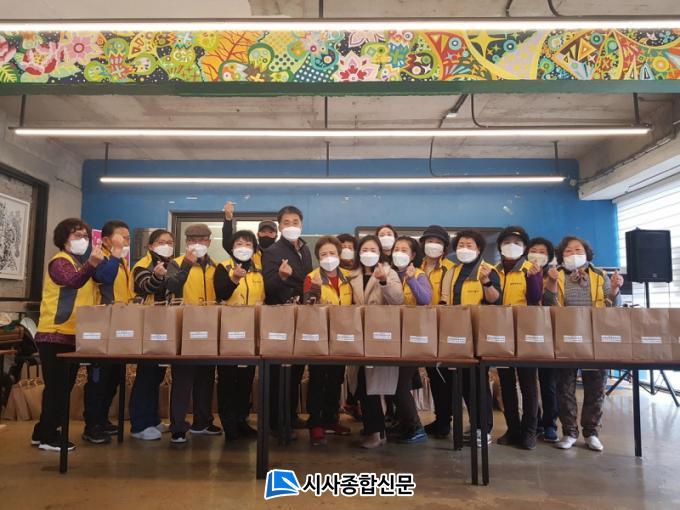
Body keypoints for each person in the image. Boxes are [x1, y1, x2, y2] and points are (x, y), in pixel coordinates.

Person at [544, 235, 624, 452]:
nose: (573, 254)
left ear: (587, 253)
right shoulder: (556, 274)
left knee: (596, 387)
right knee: (564, 388)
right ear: (561, 255)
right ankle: (569, 432)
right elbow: (547, 306)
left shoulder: (600, 275)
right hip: (565, 337)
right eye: (568, 251)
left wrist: (615, 289)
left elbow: (613, 307)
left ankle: (591, 432)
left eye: (578, 250)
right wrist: (551, 282)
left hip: (595, 338)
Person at [32, 218, 103, 452]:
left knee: (62, 387)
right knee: (57, 388)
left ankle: (41, 431)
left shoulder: (77, 262)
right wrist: (92, 263)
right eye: (77, 236)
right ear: (64, 239)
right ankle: (49, 436)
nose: (82, 240)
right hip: (55, 334)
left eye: (85, 236)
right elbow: (73, 282)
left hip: (73, 333)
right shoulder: (60, 261)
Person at [431, 230, 501, 445]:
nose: (465, 248)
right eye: (461, 245)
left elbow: (496, 301)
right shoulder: (452, 271)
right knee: (460, 383)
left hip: (479, 333)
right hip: (455, 333)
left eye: (470, 245)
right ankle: (469, 423)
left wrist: (487, 282)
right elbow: (444, 300)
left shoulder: (488, 270)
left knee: (477, 382)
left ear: (479, 249)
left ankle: (483, 429)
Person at [346, 235, 404, 448]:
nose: (368, 254)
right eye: (364, 250)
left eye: (373, 250)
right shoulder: (351, 275)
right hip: (356, 335)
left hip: (379, 335)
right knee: (361, 384)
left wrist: (383, 281)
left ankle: (377, 432)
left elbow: (398, 300)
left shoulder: (389, 272)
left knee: (372, 385)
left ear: (380, 253)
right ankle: (375, 430)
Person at [166, 223, 222, 443]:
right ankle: (178, 426)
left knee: (206, 378)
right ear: (186, 242)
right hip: (183, 328)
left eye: (201, 240)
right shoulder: (176, 263)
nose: (197, 244)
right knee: (183, 379)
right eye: (192, 240)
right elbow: (171, 285)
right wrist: (187, 266)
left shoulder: (215, 266)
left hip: (209, 328)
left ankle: (203, 421)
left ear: (209, 242)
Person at [261, 206, 313, 439]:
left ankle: (290, 415)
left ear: (301, 224)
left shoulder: (305, 249)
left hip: (303, 315)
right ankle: (277, 423)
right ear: (280, 226)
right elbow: (268, 287)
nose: (292, 226)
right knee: (279, 373)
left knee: (296, 370)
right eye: (287, 222)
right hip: (280, 317)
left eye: (295, 222)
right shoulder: (272, 251)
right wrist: (281, 277)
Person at [83, 220, 133, 445]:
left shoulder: (122, 261)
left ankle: (102, 419)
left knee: (113, 378)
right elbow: (104, 278)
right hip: (101, 326)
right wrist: (115, 254)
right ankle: (92, 425)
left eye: (127, 238)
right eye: (121, 237)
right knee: (98, 379)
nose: (126, 241)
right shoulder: (99, 257)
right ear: (105, 239)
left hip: (120, 324)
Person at [494, 226, 543, 450]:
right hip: (501, 333)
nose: (511, 246)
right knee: (506, 384)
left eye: (517, 243)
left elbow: (535, 298)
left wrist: (534, 278)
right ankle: (512, 428)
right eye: (507, 242)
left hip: (526, 334)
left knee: (528, 384)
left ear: (524, 248)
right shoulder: (494, 271)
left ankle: (530, 430)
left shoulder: (530, 269)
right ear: (500, 247)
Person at [302, 236, 353, 446]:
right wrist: (314, 290)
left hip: (342, 337)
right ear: (318, 257)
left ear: (339, 255)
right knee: (318, 380)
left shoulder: (349, 277)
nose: (328, 257)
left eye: (332, 253)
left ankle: (331, 419)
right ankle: (315, 423)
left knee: (336, 379)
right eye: (324, 254)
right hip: (319, 338)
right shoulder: (311, 277)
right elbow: (307, 307)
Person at [214, 229, 264, 441]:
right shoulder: (223, 267)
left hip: (252, 331)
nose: (244, 248)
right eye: (239, 244)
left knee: (246, 379)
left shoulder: (258, 271)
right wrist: (234, 279)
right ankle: (229, 424)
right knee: (228, 379)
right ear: (232, 248)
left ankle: (242, 420)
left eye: (248, 244)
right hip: (229, 331)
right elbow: (220, 293)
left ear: (254, 249)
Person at [128, 229, 174, 441]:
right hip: (147, 325)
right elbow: (145, 286)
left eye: (170, 242)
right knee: (146, 374)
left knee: (157, 374)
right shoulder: (142, 265)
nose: (166, 245)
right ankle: (139, 424)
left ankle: (152, 419)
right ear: (150, 246)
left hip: (164, 324)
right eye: (161, 242)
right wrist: (156, 276)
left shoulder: (171, 265)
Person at [390, 236, 432, 444]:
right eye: (396, 249)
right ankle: (405, 423)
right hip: (392, 337)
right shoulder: (389, 274)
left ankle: (416, 427)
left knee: (400, 385)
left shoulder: (419, 274)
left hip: (412, 338)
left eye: (404, 250)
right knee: (393, 384)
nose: (399, 253)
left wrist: (412, 279)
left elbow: (425, 299)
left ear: (413, 255)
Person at [527, 236, 559, 443]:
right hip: (527, 332)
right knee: (529, 383)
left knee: (548, 383)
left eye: (542, 252)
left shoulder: (554, 275)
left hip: (549, 334)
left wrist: (551, 281)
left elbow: (551, 304)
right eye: (534, 251)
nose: (537, 255)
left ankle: (550, 424)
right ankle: (534, 422)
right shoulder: (523, 272)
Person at [222, 200, 277, 269]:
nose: (267, 234)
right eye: (263, 232)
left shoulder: (281, 252)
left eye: (270, 232)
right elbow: (227, 243)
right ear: (258, 234)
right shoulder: (250, 250)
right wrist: (228, 219)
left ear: (276, 235)